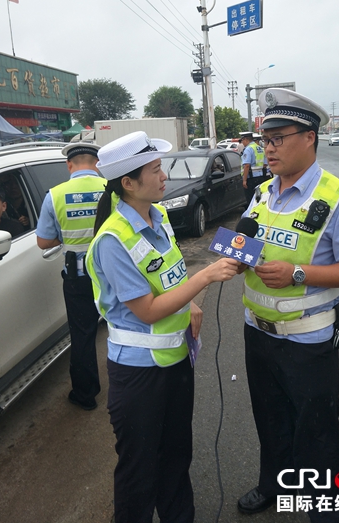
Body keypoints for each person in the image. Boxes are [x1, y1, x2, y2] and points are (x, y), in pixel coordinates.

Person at [237, 88, 339, 522]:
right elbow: (246, 239)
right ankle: (273, 486)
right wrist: (232, 251)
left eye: (279, 137)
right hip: (256, 333)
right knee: (270, 419)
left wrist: (299, 273)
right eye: (266, 139)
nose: (270, 147)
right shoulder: (263, 193)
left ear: (310, 137)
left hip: (306, 340)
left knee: (316, 432)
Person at [85, 131, 239, 523]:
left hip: (176, 361)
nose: (164, 176)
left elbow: (170, 275)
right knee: (139, 471)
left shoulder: (160, 215)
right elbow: (148, 310)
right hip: (138, 375)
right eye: (156, 170)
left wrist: (189, 304)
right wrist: (203, 279)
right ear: (128, 183)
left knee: (175, 457)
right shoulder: (112, 240)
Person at [36, 141, 105, 411]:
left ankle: (86, 395)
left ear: (69, 165)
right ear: (97, 163)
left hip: (78, 278)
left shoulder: (54, 195)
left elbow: (43, 242)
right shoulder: (111, 189)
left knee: (83, 335)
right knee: (124, 324)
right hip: (113, 272)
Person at [240, 130, 268, 202]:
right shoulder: (259, 148)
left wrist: (244, 180)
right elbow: (265, 164)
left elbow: (246, 165)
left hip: (251, 179)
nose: (242, 142)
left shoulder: (248, 149)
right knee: (261, 199)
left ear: (246, 139)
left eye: (242, 140)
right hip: (262, 177)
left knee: (251, 201)